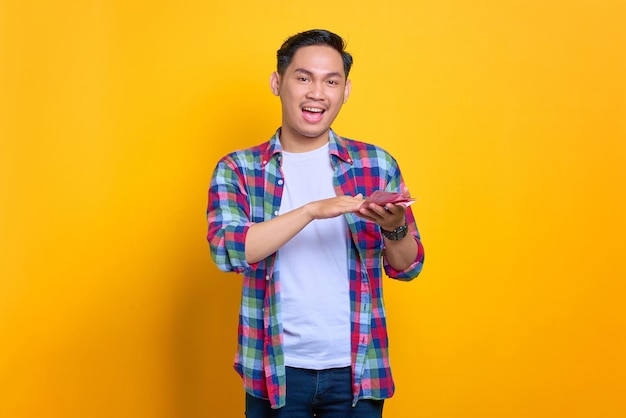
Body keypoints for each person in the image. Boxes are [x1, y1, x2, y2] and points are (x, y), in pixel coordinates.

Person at [207, 29, 425, 418]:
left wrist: (395, 227)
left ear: (345, 91)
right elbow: (229, 251)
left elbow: (408, 266)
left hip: (357, 370)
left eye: (331, 81)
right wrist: (310, 210)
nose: (317, 93)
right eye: (303, 77)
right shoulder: (238, 169)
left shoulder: (375, 164)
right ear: (278, 82)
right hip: (275, 371)